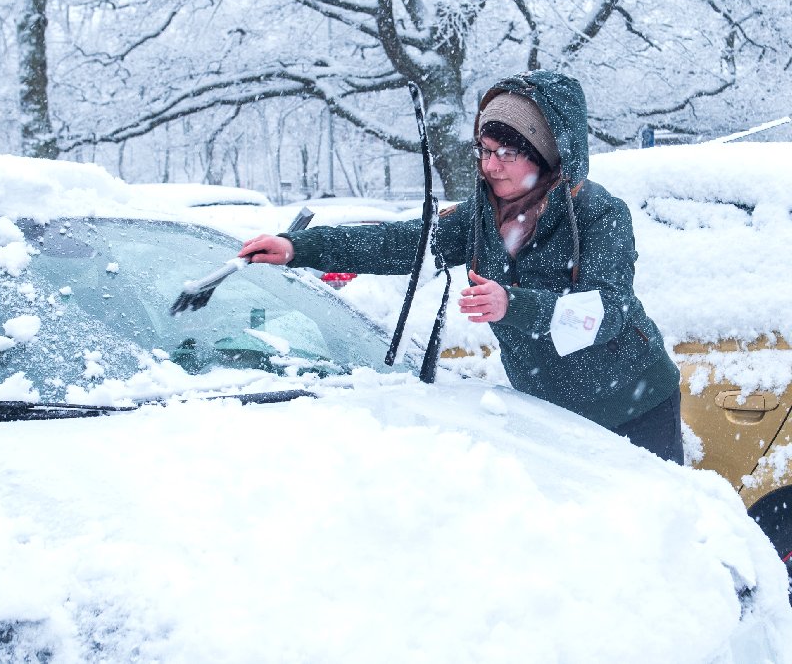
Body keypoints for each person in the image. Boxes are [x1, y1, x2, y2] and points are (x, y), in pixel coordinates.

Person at [239, 70, 684, 464]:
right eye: (484, 151)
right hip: (548, 408)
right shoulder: (481, 217)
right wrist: (299, 247)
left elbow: (606, 312)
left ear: (545, 153)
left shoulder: (598, 214)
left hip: (632, 405)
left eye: (507, 153)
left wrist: (513, 304)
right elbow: (400, 243)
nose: (491, 166)